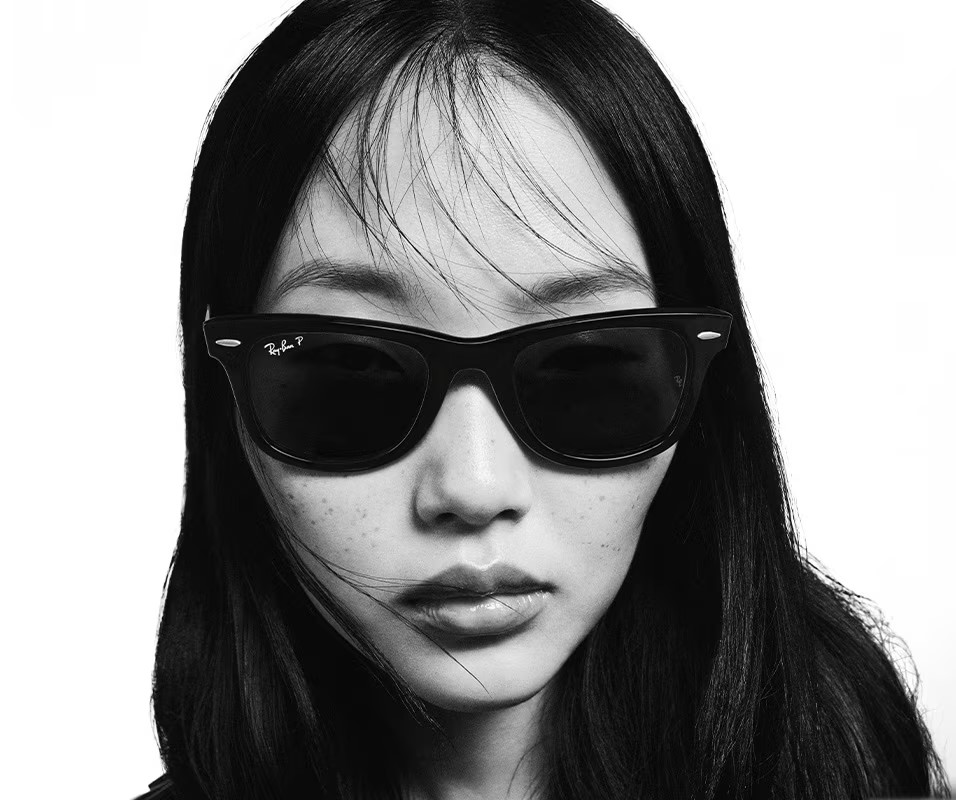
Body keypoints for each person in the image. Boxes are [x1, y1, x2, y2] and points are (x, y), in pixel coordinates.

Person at [138, 0, 949, 798]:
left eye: (584, 367)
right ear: (223, 391)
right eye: (349, 370)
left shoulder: (859, 773)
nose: (474, 488)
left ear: (702, 384)